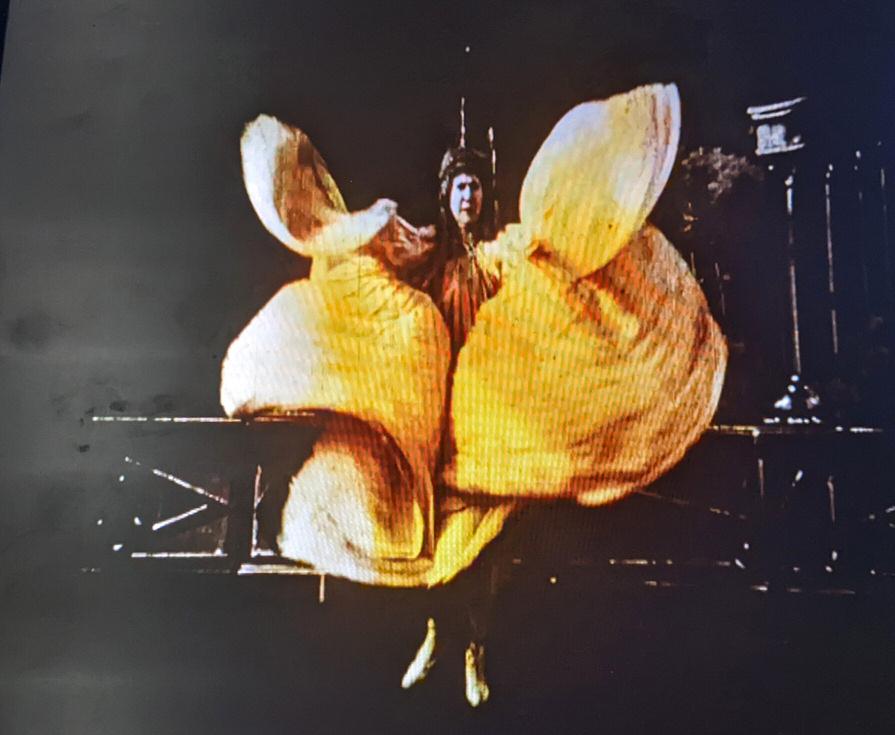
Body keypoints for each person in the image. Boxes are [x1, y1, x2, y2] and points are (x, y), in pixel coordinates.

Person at [219, 82, 728, 707]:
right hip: (438, 411)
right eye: (459, 188)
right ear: (447, 195)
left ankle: (475, 648)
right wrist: (370, 230)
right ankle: (436, 633)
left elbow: (544, 273)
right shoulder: (426, 250)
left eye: (475, 188)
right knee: (433, 535)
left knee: (483, 540)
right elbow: (380, 269)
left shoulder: (498, 252)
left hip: (486, 414)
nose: (468, 197)